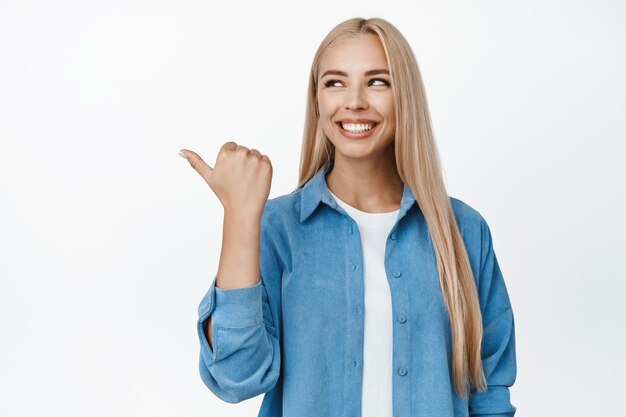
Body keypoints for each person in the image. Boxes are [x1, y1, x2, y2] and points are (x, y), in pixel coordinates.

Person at [179, 16, 517, 417]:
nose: (354, 100)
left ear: (404, 95)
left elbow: (490, 392)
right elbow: (237, 378)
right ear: (317, 99)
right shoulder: (277, 228)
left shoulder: (464, 232)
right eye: (335, 82)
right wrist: (239, 217)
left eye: (377, 81)